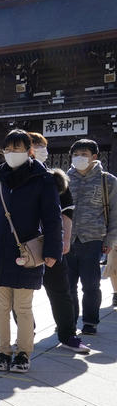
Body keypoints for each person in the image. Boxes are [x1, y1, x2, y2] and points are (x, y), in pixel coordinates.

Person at [0, 130, 61, 373]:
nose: (13, 154)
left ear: (30, 151)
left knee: (23, 307)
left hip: (28, 251)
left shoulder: (43, 179)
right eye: (9, 149)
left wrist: (53, 250)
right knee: (1, 306)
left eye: (18, 148)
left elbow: (52, 218)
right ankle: (3, 351)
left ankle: (23, 352)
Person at [29, 132, 89, 353]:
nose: (40, 149)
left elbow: (67, 211)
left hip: (49, 243)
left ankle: (68, 334)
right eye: (35, 145)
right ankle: (26, 332)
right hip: (21, 245)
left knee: (59, 291)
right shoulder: (8, 177)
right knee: (21, 294)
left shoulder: (54, 177)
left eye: (42, 145)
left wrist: (65, 239)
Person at [64, 139, 117, 335]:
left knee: (91, 285)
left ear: (94, 157)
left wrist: (110, 240)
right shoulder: (64, 179)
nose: (79, 158)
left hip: (93, 239)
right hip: (67, 240)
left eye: (84, 154)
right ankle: (68, 321)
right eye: (76, 154)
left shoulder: (107, 180)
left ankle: (90, 322)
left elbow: (114, 213)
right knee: (67, 286)